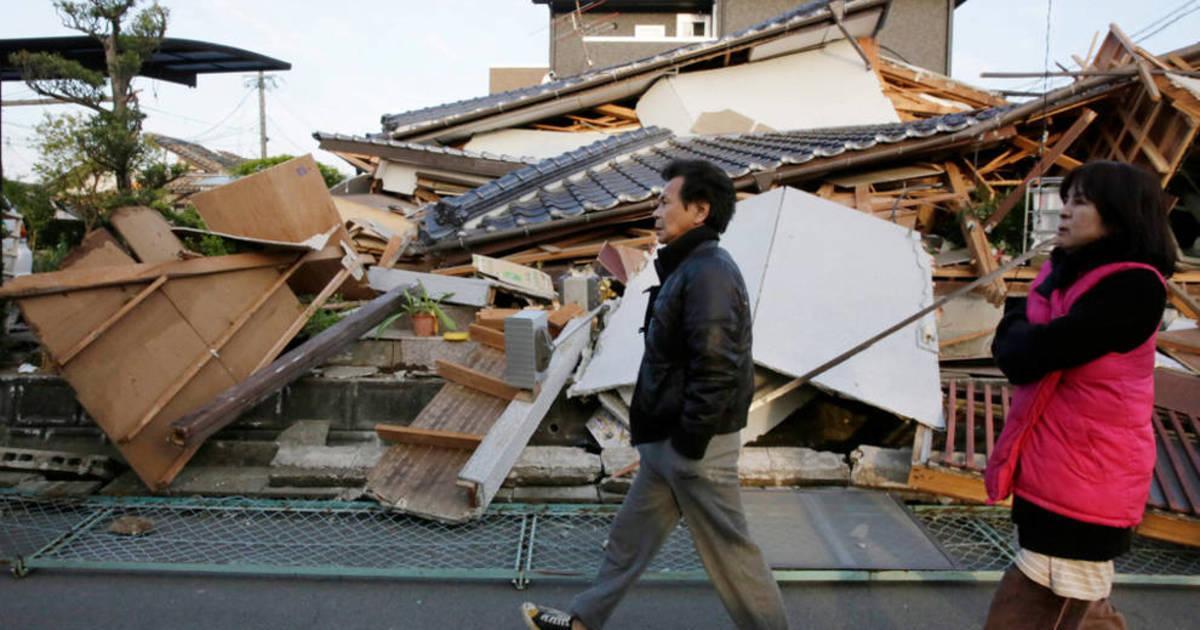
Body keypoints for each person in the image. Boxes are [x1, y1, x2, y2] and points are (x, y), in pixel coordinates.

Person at [521, 159, 789, 630]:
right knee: (629, 539)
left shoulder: (709, 273)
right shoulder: (690, 266)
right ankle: (584, 621)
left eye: (665, 201)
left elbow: (718, 368)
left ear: (699, 210)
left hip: (694, 448)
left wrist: (689, 444)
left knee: (732, 554)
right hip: (670, 444)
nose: (655, 211)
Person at [983, 160, 1177, 629]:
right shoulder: (1065, 275)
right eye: (1066, 200)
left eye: (1081, 202)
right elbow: (1013, 336)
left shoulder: (1133, 287)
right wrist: (1018, 330)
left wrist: (1019, 332)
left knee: (1028, 613)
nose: (1064, 212)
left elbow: (1028, 351)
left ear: (1120, 213)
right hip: (1054, 474)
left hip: (1086, 485)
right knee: (1078, 609)